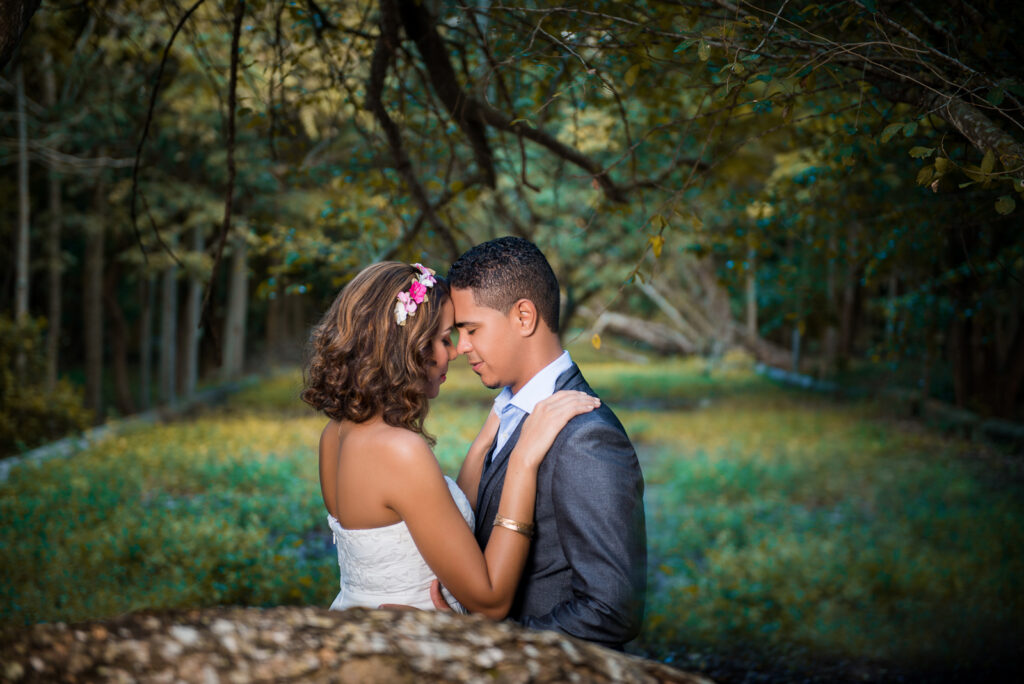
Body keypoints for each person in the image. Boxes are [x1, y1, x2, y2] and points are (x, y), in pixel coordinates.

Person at [301, 261, 600, 616]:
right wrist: (523, 459)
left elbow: (433, 521)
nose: (455, 351)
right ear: (408, 347)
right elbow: (491, 601)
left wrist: (490, 433)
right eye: (445, 339)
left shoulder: (335, 435)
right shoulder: (398, 450)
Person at [445, 236, 647, 650]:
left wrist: (489, 647)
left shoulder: (586, 436)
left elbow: (611, 610)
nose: (461, 347)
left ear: (524, 317)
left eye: (470, 329)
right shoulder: (506, 413)